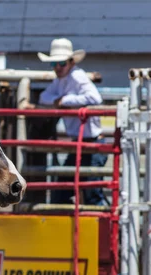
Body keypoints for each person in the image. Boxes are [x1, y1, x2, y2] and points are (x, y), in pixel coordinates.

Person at [37, 38, 106, 206]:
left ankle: (109, 229)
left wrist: (64, 101)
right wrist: (60, 101)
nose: (57, 68)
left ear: (70, 62)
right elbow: (44, 97)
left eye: (61, 63)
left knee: (91, 194)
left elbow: (95, 98)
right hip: (80, 144)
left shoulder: (77, 76)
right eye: (54, 64)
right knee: (65, 190)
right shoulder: (61, 80)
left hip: (91, 145)